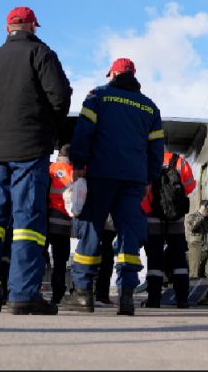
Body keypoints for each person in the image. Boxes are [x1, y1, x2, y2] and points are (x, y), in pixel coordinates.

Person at [0, 6, 72, 315]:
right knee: (27, 220)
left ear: (7, 28)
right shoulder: (41, 54)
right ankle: (23, 294)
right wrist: (48, 130)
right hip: (28, 148)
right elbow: (60, 98)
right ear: (31, 26)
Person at [63, 57, 163, 316]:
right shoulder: (150, 107)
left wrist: (78, 164)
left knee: (91, 230)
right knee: (130, 233)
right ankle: (127, 295)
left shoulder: (98, 96)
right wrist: (149, 178)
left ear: (113, 75)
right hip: (134, 179)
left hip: (101, 175)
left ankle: (83, 293)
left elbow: (83, 132)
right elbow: (156, 149)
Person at [142, 148, 195, 308]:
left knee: (154, 259)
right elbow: (190, 186)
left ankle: (154, 299)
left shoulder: (145, 160)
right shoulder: (179, 161)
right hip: (176, 218)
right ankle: (182, 299)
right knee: (179, 259)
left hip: (152, 217)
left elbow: (140, 188)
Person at [46, 144, 74, 304]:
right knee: (60, 260)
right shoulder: (73, 171)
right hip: (63, 222)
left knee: (42, 255)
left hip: (46, 219)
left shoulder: (50, 168)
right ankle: (57, 292)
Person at [94, 216, 117, 306]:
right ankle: (101, 295)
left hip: (103, 228)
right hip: (107, 228)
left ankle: (100, 295)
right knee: (105, 263)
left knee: (104, 263)